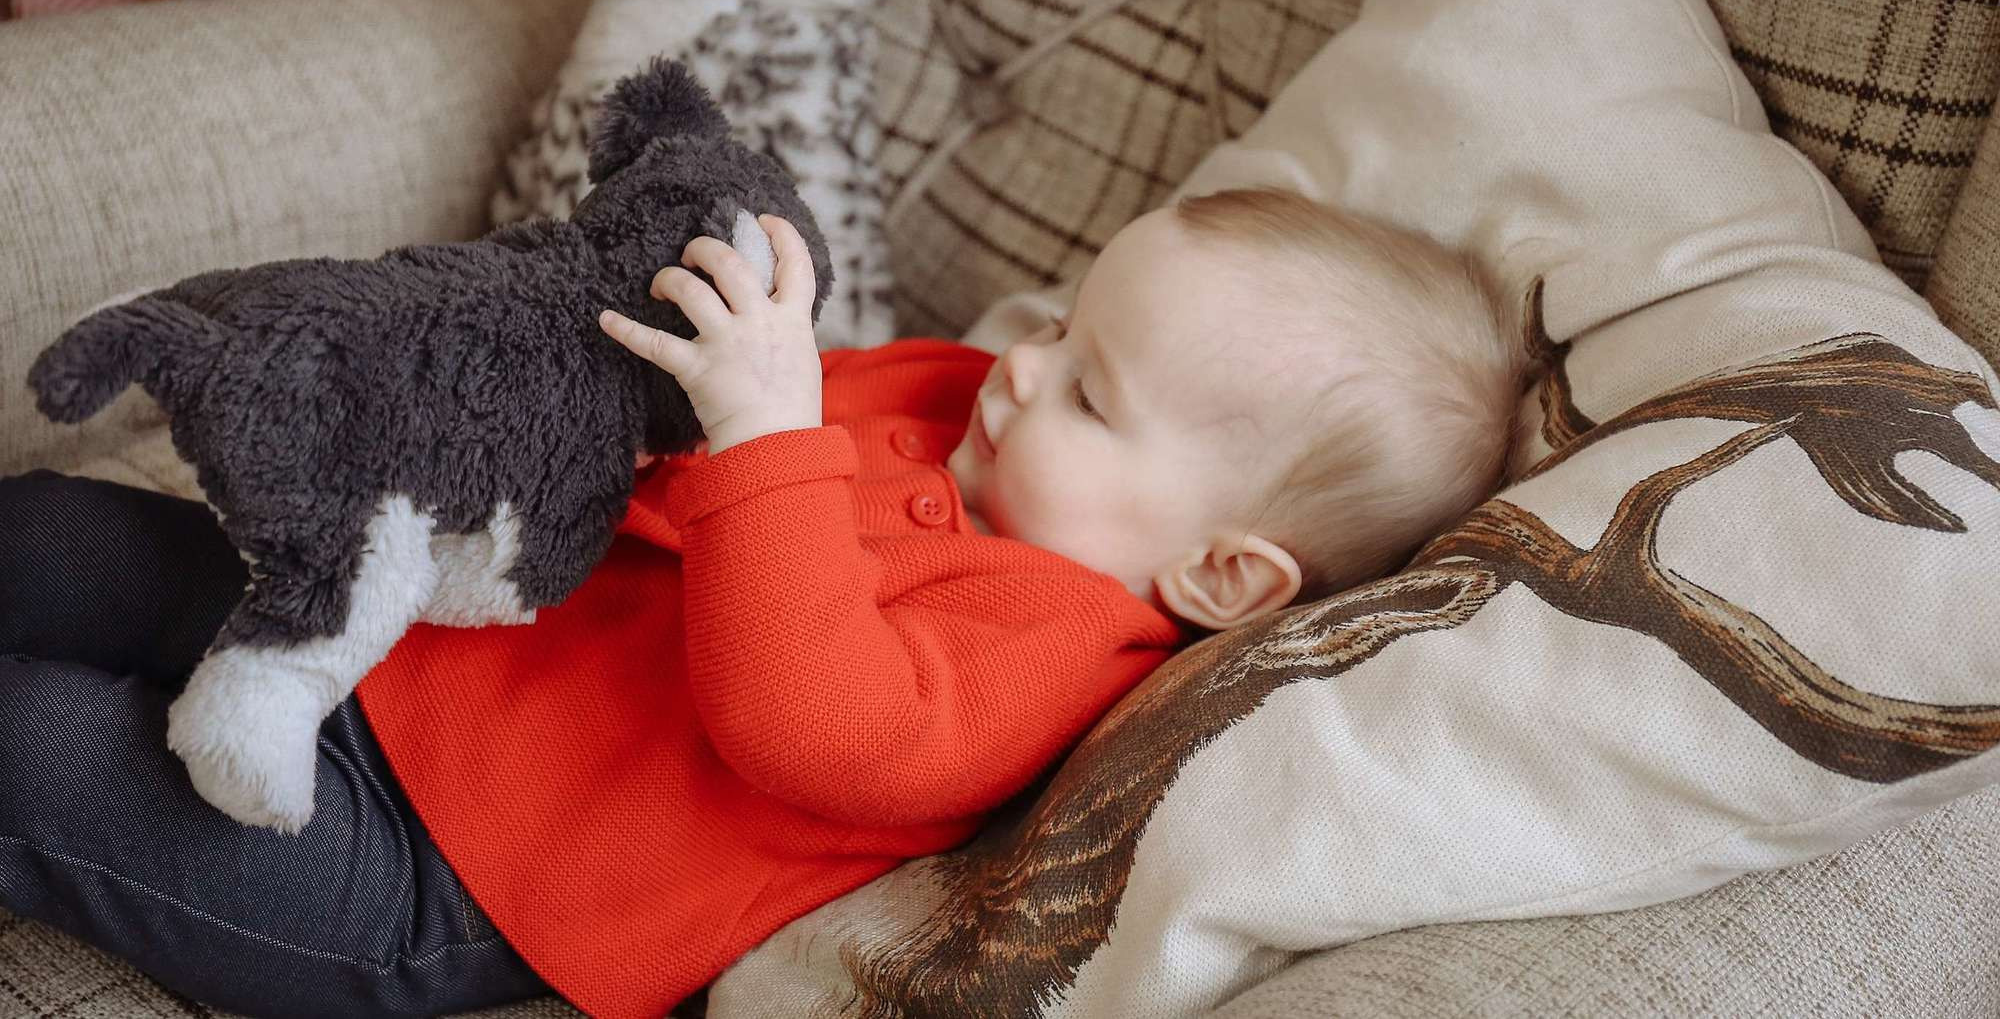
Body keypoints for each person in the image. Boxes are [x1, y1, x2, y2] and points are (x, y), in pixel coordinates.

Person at [0, 186, 1520, 1017]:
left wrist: (769, 435)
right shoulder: (962, 397)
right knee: (61, 536)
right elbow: (699, 429)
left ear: (1220, 573)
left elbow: (808, 719)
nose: (1024, 363)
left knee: (42, 753)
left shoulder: (1056, 651)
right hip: (410, 620)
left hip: (446, 871)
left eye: (1092, 394)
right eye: (1065, 321)